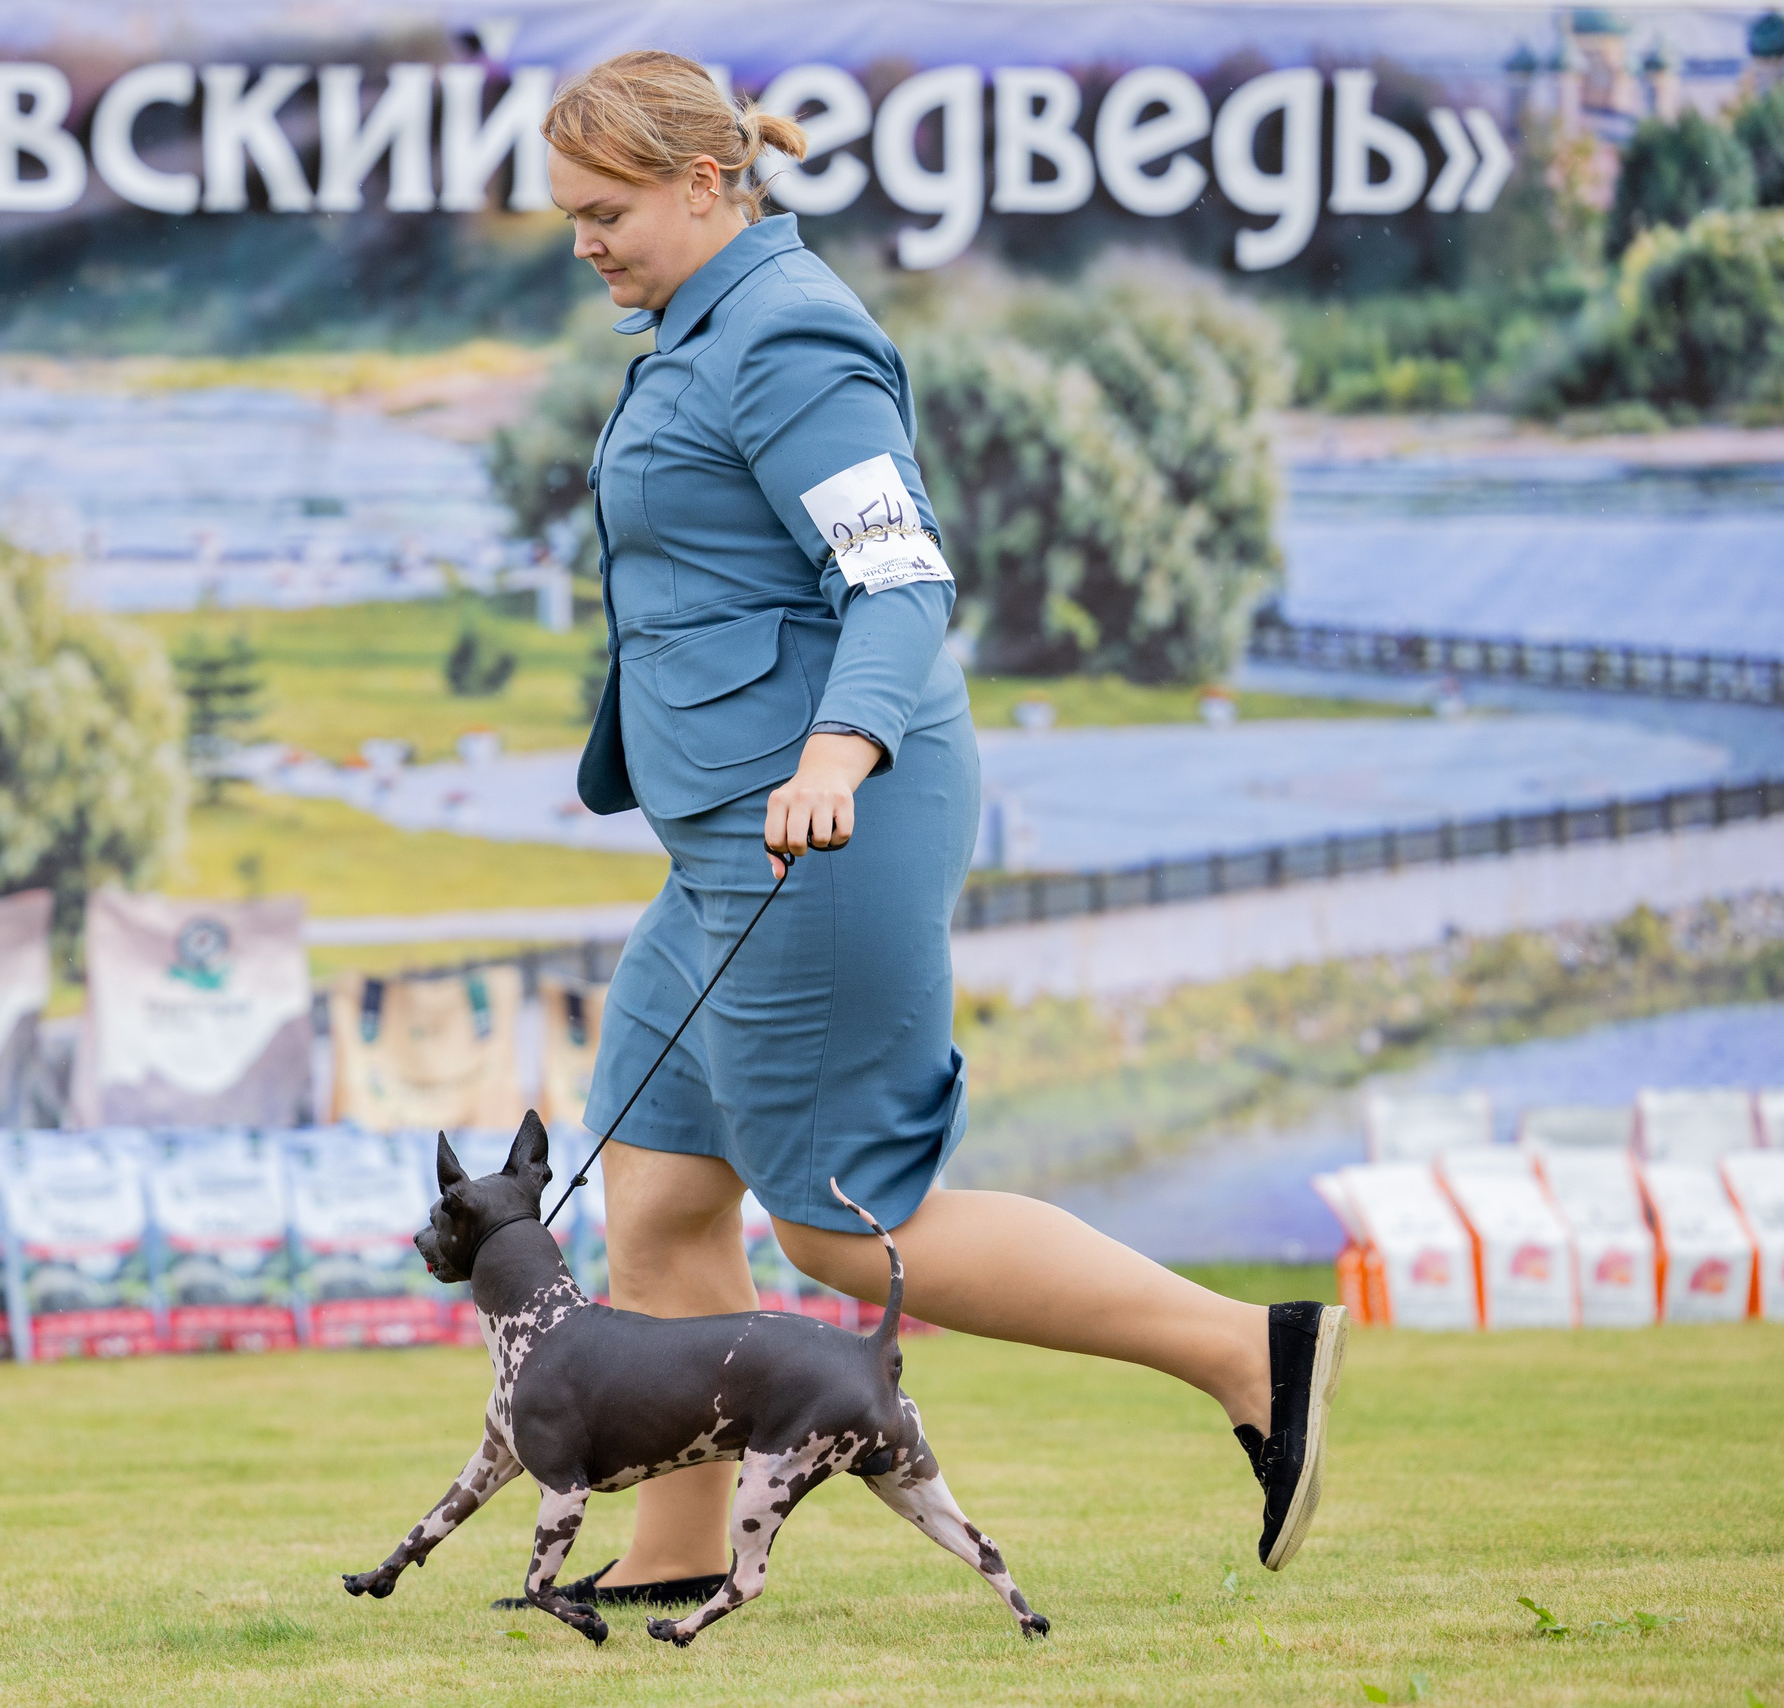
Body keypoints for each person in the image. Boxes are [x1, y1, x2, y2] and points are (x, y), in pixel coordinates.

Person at [527, 51, 1347, 1611]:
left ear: (703, 184)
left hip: (824, 823)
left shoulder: (789, 333)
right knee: (658, 1183)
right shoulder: (696, 325)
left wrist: (839, 747)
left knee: (847, 1224)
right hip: (726, 843)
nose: (584, 242)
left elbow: (899, 578)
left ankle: (1252, 1352)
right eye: (571, 214)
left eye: (605, 212)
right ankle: (677, 1547)